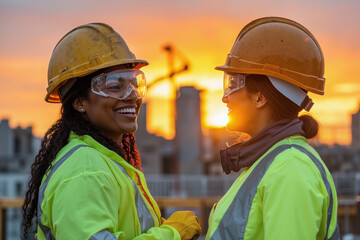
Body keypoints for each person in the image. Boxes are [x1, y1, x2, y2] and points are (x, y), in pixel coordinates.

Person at [21, 23, 201, 240]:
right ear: (79, 102)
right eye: (114, 86)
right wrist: (172, 234)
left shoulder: (104, 160)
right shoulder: (85, 170)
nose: (132, 95)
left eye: (135, 83)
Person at [205, 17, 340, 240]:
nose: (225, 98)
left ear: (260, 97)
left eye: (233, 84)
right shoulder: (270, 161)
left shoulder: (290, 170)